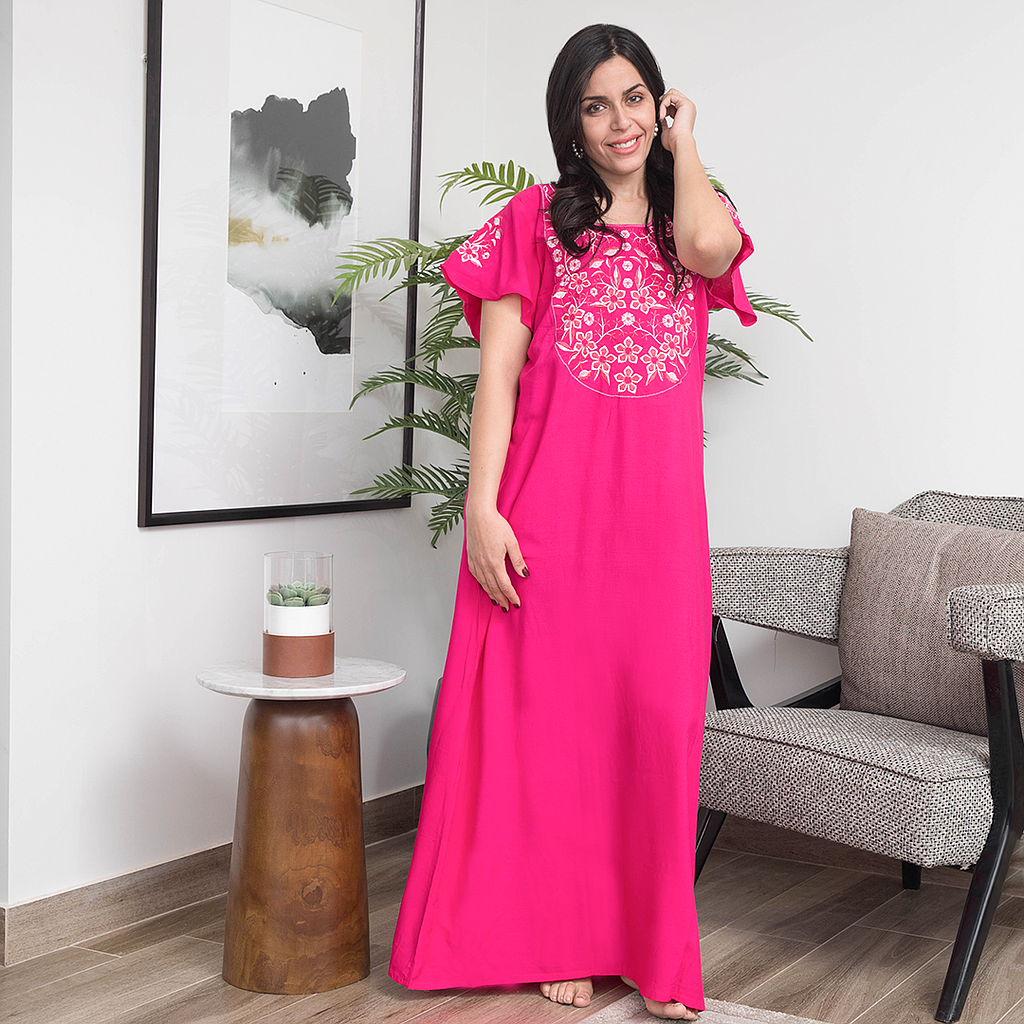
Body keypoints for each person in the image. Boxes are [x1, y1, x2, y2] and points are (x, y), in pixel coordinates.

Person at [389, 23, 755, 1021]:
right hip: (550, 512)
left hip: (658, 529)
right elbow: (498, 380)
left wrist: (685, 144)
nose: (618, 121)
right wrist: (481, 507)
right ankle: (564, 933)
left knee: (655, 727)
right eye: (596, 105)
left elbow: (712, 250)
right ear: (570, 122)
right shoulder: (533, 221)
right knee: (554, 729)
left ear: (659, 104)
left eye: (635, 98)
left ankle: (645, 940)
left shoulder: (694, 217)